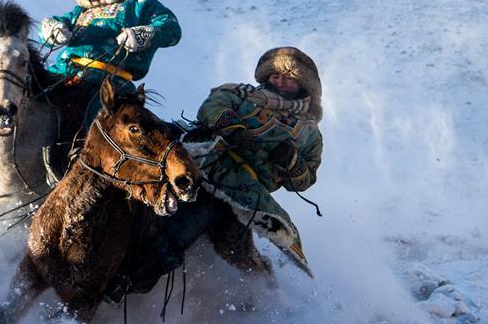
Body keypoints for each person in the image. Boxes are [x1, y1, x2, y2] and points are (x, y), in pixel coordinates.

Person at [105, 46, 324, 300]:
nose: (279, 80)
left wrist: (291, 161)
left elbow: (306, 179)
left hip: (239, 188)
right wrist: (235, 129)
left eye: (288, 77)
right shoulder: (239, 93)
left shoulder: (309, 133)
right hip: (197, 156)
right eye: (275, 75)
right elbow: (211, 107)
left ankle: (126, 281)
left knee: (185, 227)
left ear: (302, 85)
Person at [38, 0, 182, 179]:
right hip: (65, 74)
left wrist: (142, 34)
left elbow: (170, 27)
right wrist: (54, 29)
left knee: (98, 118)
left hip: (108, 82)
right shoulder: (78, 13)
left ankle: (79, 165)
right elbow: (48, 25)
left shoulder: (139, 7)